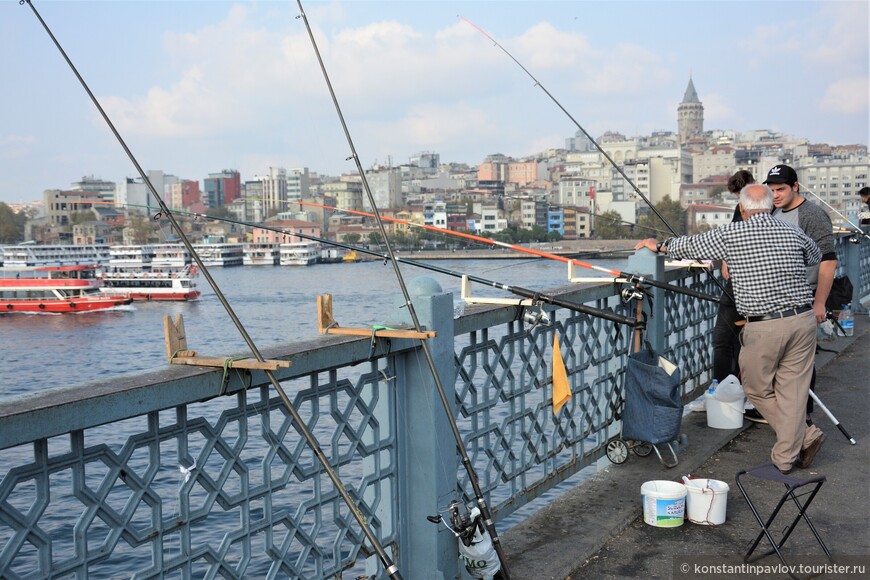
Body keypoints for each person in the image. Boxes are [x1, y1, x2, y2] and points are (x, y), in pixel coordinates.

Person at [635, 183, 825, 473]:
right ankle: (787, 456)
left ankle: (802, 440)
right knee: (794, 391)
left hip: (765, 325)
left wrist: (658, 245)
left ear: (743, 208)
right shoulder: (793, 231)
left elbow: (690, 246)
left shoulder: (732, 233)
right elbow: (814, 255)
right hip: (803, 320)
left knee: (755, 388)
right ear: (771, 206)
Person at [765, 164, 837, 427]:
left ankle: (804, 418)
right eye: (771, 190)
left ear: (795, 186)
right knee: (779, 358)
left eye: (781, 189)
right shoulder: (773, 211)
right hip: (776, 297)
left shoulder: (812, 215)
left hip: (804, 295)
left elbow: (828, 262)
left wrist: (819, 302)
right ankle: (785, 414)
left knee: (802, 361)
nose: (776, 195)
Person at [712, 170, 754, 383]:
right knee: (739, 339)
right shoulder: (753, 207)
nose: (741, 202)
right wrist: (727, 257)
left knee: (722, 339)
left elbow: (731, 238)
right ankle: (738, 387)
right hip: (748, 285)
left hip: (740, 286)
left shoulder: (748, 208)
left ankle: (722, 389)